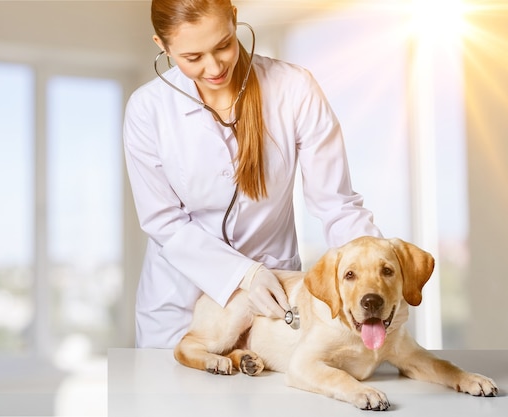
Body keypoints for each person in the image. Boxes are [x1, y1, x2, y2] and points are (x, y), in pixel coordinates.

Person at [123, 0, 382, 349]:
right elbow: (163, 222)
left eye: (223, 45)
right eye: (192, 58)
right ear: (163, 47)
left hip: (272, 303)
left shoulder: (294, 89)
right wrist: (245, 274)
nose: (214, 67)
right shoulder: (147, 110)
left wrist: (375, 268)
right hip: (179, 301)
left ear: (234, 18)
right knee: (174, 399)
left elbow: (336, 204)